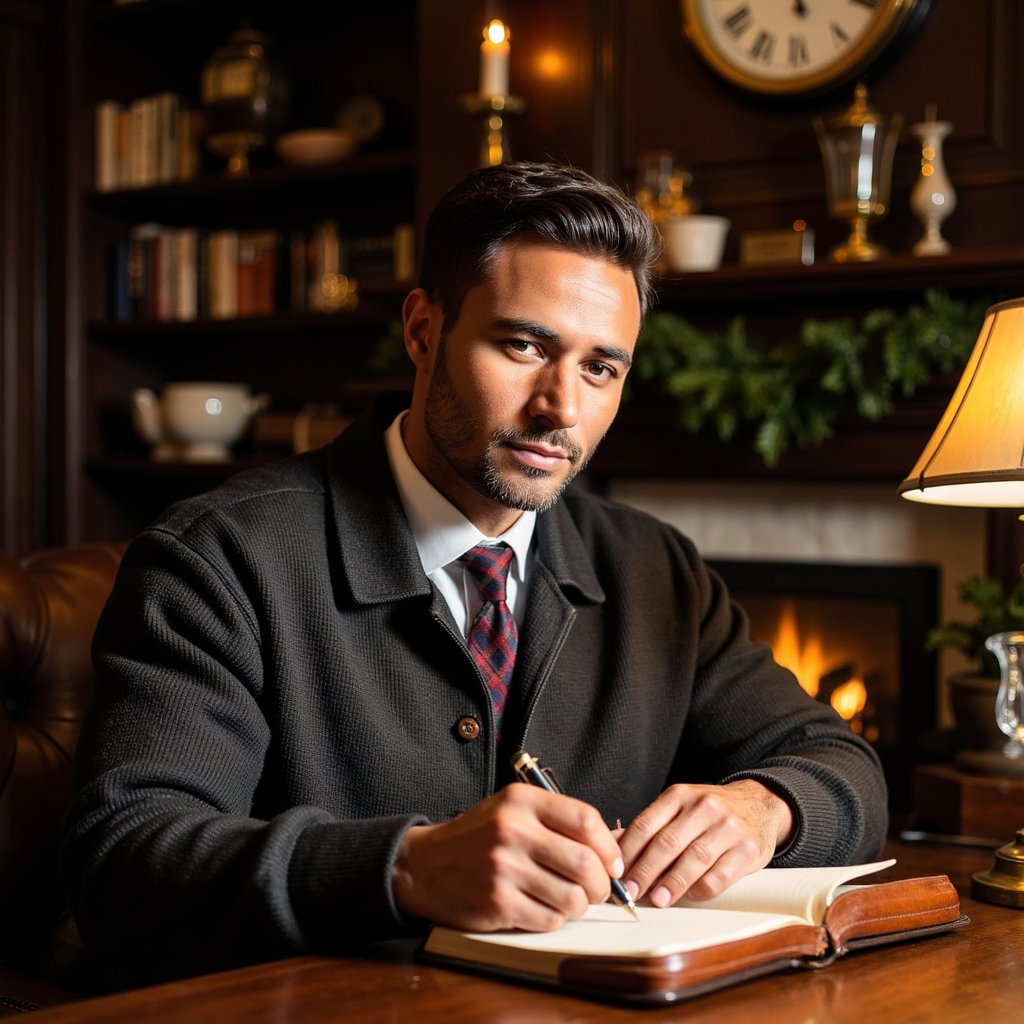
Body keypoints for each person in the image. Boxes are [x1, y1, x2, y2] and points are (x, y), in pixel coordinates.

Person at [60, 161, 888, 986]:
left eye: (601, 368)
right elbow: (125, 860)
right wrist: (403, 869)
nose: (561, 408)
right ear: (424, 331)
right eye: (524, 345)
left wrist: (768, 808)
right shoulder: (217, 556)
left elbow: (841, 763)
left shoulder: (657, 568)